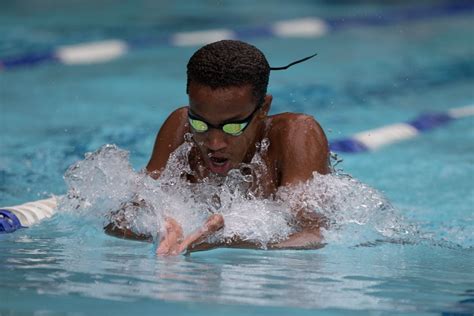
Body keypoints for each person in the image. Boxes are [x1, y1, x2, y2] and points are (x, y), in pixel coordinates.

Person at [105, 40, 330, 255]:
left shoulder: (296, 134)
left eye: (232, 127)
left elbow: (314, 234)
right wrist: (157, 229)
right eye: (200, 123)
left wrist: (225, 239)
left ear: (263, 107)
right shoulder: (181, 126)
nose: (214, 143)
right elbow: (118, 221)